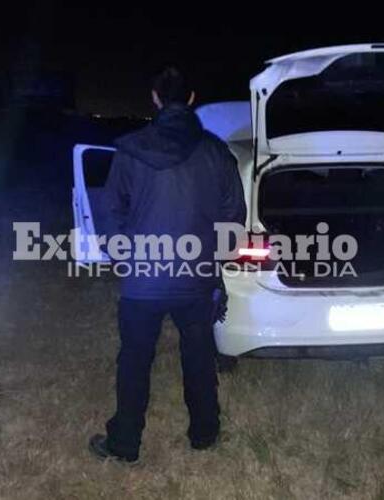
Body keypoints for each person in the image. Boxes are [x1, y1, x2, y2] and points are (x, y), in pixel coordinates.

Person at [89, 66, 247, 462]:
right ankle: (204, 433)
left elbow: (109, 214)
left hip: (143, 280)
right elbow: (233, 217)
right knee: (198, 354)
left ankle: (125, 442)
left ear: (155, 99)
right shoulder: (215, 151)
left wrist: (124, 259)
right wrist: (215, 263)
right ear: (192, 98)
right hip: (196, 277)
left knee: (134, 360)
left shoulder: (129, 150)